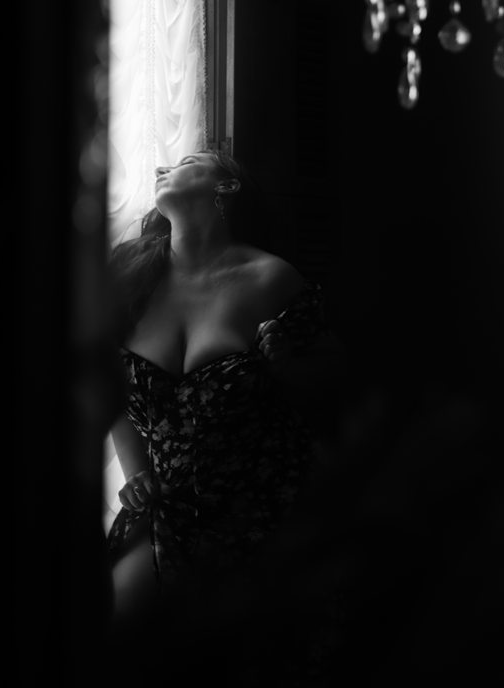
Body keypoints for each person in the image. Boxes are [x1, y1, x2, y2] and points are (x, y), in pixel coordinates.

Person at [104, 149, 337, 646]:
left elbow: (332, 388)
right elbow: (106, 383)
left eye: (186, 161)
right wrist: (135, 473)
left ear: (225, 188)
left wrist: (288, 362)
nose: (162, 168)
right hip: (166, 512)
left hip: (264, 510)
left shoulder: (272, 279)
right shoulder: (129, 273)